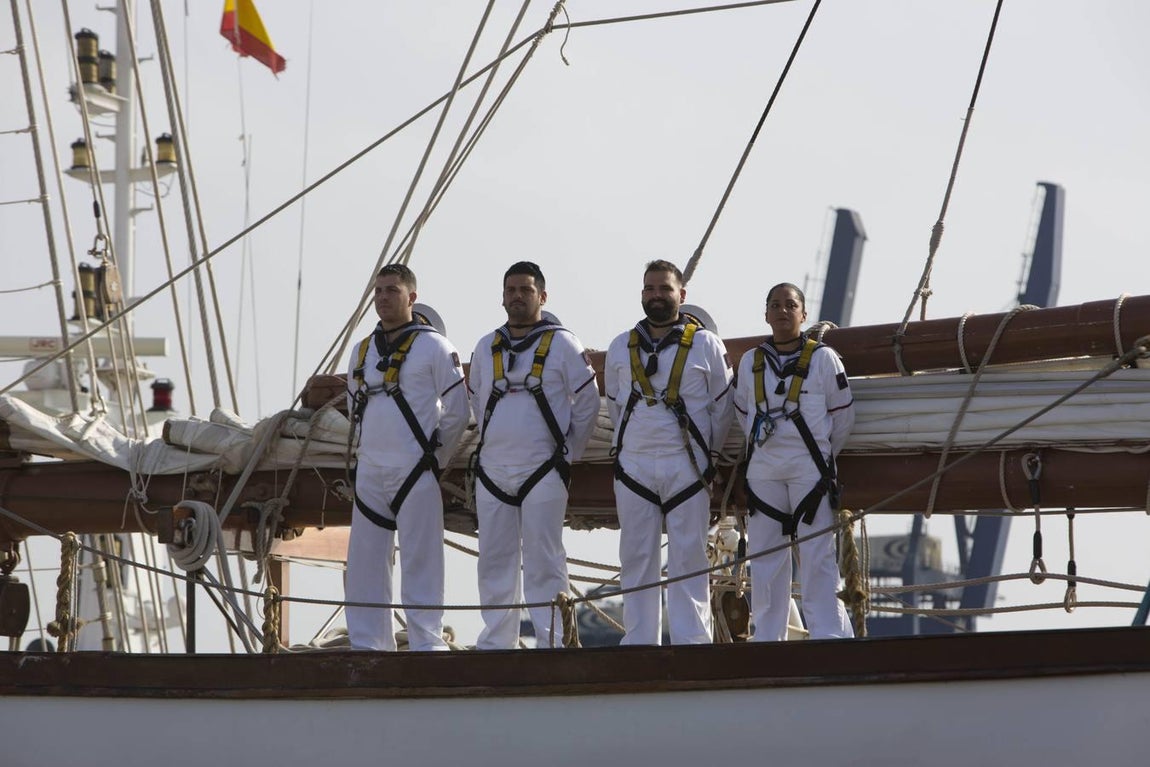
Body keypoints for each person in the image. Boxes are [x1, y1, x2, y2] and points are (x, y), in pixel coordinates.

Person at [468, 261, 600, 649]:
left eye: (526, 290)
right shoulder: (485, 345)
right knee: (494, 560)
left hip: (543, 468)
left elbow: (588, 403)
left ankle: (554, 641)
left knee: (544, 558)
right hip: (493, 470)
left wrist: (566, 454)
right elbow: (475, 398)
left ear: (542, 296)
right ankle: (496, 643)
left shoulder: (563, 344)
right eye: (511, 290)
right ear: (502, 296)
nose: (517, 296)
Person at [604, 260, 734, 645]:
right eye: (650, 289)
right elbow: (613, 403)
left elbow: (722, 408)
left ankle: (692, 640)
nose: (657, 295)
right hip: (635, 465)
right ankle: (640, 640)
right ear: (642, 294)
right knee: (636, 556)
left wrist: (704, 455)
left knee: (689, 555)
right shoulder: (619, 346)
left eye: (664, 289)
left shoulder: (707, 345)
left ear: (681, 295)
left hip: (687, 465)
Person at [345, 264, 469, 651]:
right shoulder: (361, 351)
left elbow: (458, 410)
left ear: (412, 297)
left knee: (421, 561)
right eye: (378, 291)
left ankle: (426, 644)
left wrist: (435, 458)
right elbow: (354, 409)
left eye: (392, 290)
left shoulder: (434, 347)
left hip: (415, 468)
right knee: (364, 562)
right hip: (371, 468)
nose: (383, 297)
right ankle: (368, 645)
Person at [733, 282, 855, 641]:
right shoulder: (751, 362)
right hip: (765, 472)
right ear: (766, 314)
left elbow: (843, 417)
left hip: (809, 472)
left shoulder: (823, 359)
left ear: (803, 314)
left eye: (790, 305)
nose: (783, 311)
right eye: (775, 305)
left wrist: (818, 455)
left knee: (817, 557)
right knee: (766, 558)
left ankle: (827, 634)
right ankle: (768, 636)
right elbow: (743, 413)